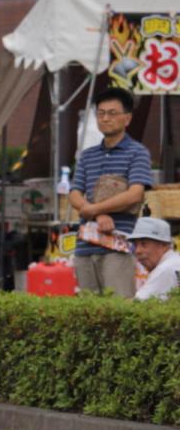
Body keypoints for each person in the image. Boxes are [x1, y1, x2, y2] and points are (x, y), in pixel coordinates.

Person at [68, 88, 154, 298]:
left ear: (127, 118)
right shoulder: (87, 155)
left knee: (118, 311)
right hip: (84, 246)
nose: (105, 118)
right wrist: (98, 214)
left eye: (112, 113)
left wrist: (93, 209)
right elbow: (74, 194)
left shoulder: (138, 152)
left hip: (118, 245)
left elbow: (135, 194)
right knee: (88, 313)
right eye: (101, 113)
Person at [128, 217, 179, 301]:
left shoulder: (165, 269)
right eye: (135, 245)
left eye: (144, 244)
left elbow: (137, 305)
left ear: (163, 245)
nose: (137, 251)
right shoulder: (174, 262)